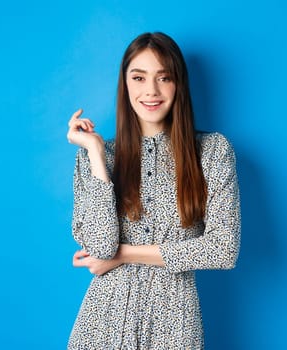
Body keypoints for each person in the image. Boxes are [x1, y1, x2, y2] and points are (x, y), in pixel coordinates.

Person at [66, 32, 240, 349]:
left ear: (179, 85)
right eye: (139, 77)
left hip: (175, 326)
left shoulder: (213, 152)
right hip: (102, 327)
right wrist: (93, 150)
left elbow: (222, 249)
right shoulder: (96, 157)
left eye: (164, 77)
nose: (151, 91)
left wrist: (124, 255)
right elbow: (101, 246)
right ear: (125, 84)